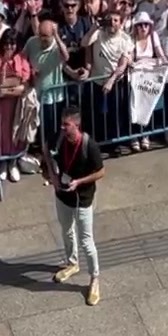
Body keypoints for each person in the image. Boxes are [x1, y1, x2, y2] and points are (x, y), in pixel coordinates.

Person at [48, 108, 103, 306]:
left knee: (87, 241)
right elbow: (47, 150)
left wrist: (80, 182)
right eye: (62, 123)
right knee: (66, 230)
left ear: (77, 125)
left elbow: (101, 172)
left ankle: (95, 278)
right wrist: (52, 176)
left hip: (83, 198)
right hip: (62, 194)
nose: (62, 128)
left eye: (66, 124)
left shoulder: (89, 146)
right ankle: (72, 263)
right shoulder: (60, 138)